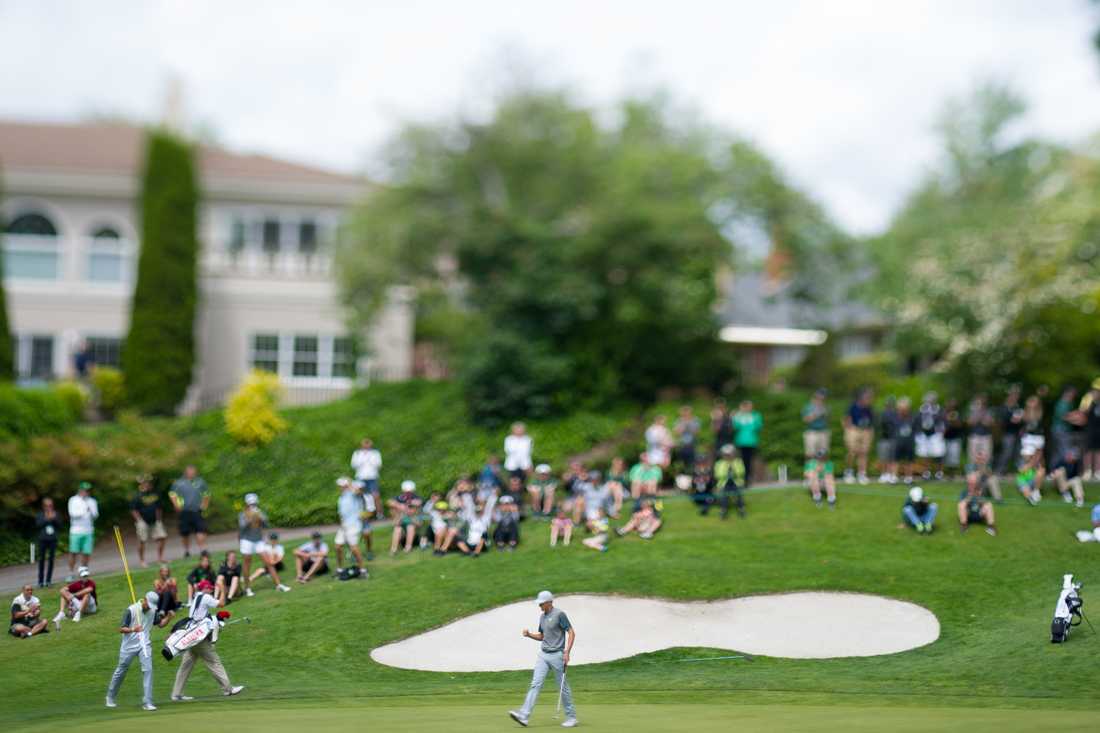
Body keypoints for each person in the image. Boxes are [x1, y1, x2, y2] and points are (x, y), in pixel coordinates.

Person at [509, 590, 577, 728]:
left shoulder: (559, 614)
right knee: (535, 684)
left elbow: (571, 632)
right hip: (543, 655)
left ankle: (571, 717)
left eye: (541, 604)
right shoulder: (542, 617)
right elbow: (542, 636)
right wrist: (529, 635)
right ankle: (524, 716)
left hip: (558, 655)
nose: (539, 606)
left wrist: (567, 652)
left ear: (549, 602)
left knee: (562, 687)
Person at [169, 581, 244, 701]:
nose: (211, 590)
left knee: (185, 666)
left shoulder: (196, 597)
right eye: (210, 588)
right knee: (214, 662)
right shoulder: (205, 596)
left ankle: (176, 694)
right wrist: (223, 590)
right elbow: (222, 603)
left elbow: (202, 616)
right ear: (205, 588)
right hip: (199, 638)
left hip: (191, 637)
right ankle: (228, 689)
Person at [105, 590, 160, 711]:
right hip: (128, 646)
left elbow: (159, 623)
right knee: (121, 670)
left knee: (148, 670)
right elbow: (121, 629)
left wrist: (169, 616)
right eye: (148, 605)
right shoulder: (131, 610)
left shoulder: (153, 611)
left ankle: (148, 702)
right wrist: (134, 629)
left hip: (144, 644)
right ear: (145, 600)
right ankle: (110, 697)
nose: (149, 608)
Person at [169, 466, 209, 557]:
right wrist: (176, 505)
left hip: (196, 511)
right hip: (184, 511)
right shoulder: (178, 483)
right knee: (185, 533)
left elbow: (206, 494)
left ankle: (203, 550)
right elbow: (172, 494)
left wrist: (204, 504)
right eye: (190, 471)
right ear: (186, 472)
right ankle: (187, 551)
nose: (192, 473)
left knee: (201, 530)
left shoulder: (200, 482)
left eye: (193, 471)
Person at [130, 476, 167, 567]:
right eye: (145, 483)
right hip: (142, 521)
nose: (147, 484)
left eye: (148, 483)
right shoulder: (137, 496)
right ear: (141, 485)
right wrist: (139, 520)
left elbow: (159, 507)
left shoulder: (155, 494)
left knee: (162, 537)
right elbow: (133, 510)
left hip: (155, 520)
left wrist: (159, 519)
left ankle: (160, 558)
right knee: (142, 540)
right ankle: (142, 561)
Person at [335, 477, 368, 574]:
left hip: (354, 525)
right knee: (338, 546)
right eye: (340, 486)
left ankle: (363, 570)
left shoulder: (353, 494)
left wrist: (349, 484)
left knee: (354, 547)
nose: (340, 488)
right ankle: (339, 569)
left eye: (341, 486)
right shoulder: (341, 498)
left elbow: (359, 492)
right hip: (344, 526)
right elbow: (341, 514)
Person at [237, 492, 267, 597]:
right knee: (247, 564)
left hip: (258, 540)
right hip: (246, 540)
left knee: (267, 560)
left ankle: (278, 584)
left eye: (254, 504)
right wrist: (250, 519)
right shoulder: (242, 514)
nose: (253, 506)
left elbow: (265, 525)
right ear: (247, 504)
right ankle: (247, 588)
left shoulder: (260, 512)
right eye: (251, 504)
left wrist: (260, 517)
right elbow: (242, 528)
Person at [66, 481, 98, 579]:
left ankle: (83, 571)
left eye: (88, 490)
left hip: (88, 530)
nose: (87, 492)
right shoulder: (73, 500)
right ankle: (71, 573)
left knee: (86, 553)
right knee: (73, 552)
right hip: (76, 530)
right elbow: (73, 514)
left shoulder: (92, 501)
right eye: (85, 490)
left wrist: (90, 511)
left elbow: (95, 515)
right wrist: (84, 510)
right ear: (80, 490)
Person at [842, 388, 874, 485]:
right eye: (867, 398)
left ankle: (862, 474)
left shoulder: (869, 408)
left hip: (865, 430)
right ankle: (848, 472)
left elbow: (871, 420)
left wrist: (869, 431)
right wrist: (849, 429)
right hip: (854, 429)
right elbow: (846, 419)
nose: (869, 400)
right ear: (862, 398)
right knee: (852, 451)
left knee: (864, 453)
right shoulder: (853, 406)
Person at [731, 400, 763, 487]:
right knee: (740, 461)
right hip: (740, 442)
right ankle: (741, 479)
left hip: (751, 442)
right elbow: (734, 426)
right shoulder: (738, 416)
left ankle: (748, 478)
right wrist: (738, 414)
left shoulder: (755, 415)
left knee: (749, 461)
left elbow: (758, 426)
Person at [915, 392, 946, 480]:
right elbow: (917, 421)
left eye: (931, 400)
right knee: (925, 454)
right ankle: (926, 472)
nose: (929, 402)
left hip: (936, 434)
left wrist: (942, 432)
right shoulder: (922, 409)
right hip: (924, 434)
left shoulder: (939, 409)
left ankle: (939, 472)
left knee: (938, 454)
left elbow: (943, 422)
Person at [995, 386, 1024, 477]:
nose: (1015, 398)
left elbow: (1021, 420)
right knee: (1006, 453)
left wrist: (1021, 422)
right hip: (1007, 434)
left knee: (1018, 454)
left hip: (1017, 434)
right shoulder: (1004, 407)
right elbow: (1001, 421)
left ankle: (1021, 472)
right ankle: (999, 471)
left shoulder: (1018, 407)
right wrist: (1011, 420)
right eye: (1014, 395)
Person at [350, 438, 383, 517]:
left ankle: (379, 513)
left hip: (372, 476)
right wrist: (363, 459)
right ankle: (363, 514)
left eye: (368, 444)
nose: (366, 445)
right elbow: (354, 465)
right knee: (360, 496)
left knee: (376, 495)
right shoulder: (357, 453)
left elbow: (378, 464)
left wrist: (369, 459)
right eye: (365, 444)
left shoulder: (375, 453)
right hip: (361, 477)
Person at [389, 480, 423, 555]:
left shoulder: (416, 498)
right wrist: (399, 506)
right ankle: (394, 548)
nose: (408, 493)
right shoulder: (400, 497)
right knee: (397, 529)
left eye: (409, 491)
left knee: (410, 527)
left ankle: (408, 547)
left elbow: (417, 505)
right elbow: (390, 502)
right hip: (402, 519)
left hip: (413, 520)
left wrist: (406, 506)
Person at [713, 445, 746, 519]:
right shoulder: (719, 463)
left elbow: (742, 471)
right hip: (724, 483)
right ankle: (723, 510)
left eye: (730, 454)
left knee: (739, 493)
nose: (728, 456)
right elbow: (717, 474)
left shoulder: (738, 461)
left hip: (736, 482)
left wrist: (734, 471)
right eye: (726, 454)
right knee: (723, 494)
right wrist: (726, 473)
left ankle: (741, 509)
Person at [35, 497, 61, 588]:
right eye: (47, 505)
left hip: (53, 540)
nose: (49, 507)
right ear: (43, 506)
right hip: (42, 540)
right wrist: (47, 518)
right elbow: (38, 525)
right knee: (41, 560)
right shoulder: (40, 514)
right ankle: (40, 581)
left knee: (51, 560)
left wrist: (53, 518)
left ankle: (48, 581)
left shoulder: (56, 513)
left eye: (50, 505)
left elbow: (59, 525)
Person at [892, 397, 917, 484]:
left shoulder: (912, 417)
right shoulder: (895, 417)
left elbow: (915, 429)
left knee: (909, 460)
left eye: (905, 408)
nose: (903, 410)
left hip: (909, 442)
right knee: (895, 460)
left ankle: (908, 477)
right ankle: (894, 477)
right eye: (901, 408)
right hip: (898, 442)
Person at [966, 395, 995, 468]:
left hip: (986, 436)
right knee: (972, 456)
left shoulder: (989, 411)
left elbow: (991, 423)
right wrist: (977, 418)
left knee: (986, 456)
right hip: (974, 436)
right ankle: (972, 473)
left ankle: (984, 473)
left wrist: (985, 421)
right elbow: (969, 423)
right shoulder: (972, 411)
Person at [801, 389, 830, 460]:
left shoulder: (826, 407)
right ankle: (810, 469)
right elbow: (805, 420)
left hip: (823, 432)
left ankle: (821, 470)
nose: (822, 397)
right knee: (810, 454)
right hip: (812, 432)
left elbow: (828, 420)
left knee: (823, 453)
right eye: (821, 395)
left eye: (824, 396)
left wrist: (825, 414)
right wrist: (817, 414)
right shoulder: (808, 407)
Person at [877, 396, 900, 483]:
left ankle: (893, 475)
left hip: (894, 438)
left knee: (893, 458)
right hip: (883, 438)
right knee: (883, 457)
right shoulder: (882, 414)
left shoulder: (896, 414)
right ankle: (884, 474)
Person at [673, 405, 701, 474]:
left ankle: (692, 476)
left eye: (687, 412)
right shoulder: (679, 421)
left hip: (692, 445)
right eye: (684, 412)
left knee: (692, 462)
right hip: (682, 445)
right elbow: (676, 432)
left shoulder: (695, 420)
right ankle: (683, 476)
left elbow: (697, 432)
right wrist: (683, 426)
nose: (685, 413)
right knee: (681, 463)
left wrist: (689, 427)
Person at [1081, 379, 1100, 481]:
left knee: (1098, 451)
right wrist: (1090, 400)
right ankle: (1087, 471)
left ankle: (1097, 472)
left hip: (1099, 429)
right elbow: (1083, 412)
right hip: (1089, 429)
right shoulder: (1088, 399)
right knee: (1088, 450)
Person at [942, 399, 964, 479]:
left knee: (954, 457)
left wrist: (952, 420)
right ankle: (947, 473)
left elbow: (960, 425)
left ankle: (953, 474)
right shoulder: (944, 413)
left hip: (955, 437)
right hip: (946, 437)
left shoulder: (957, 414)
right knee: (946, 456)